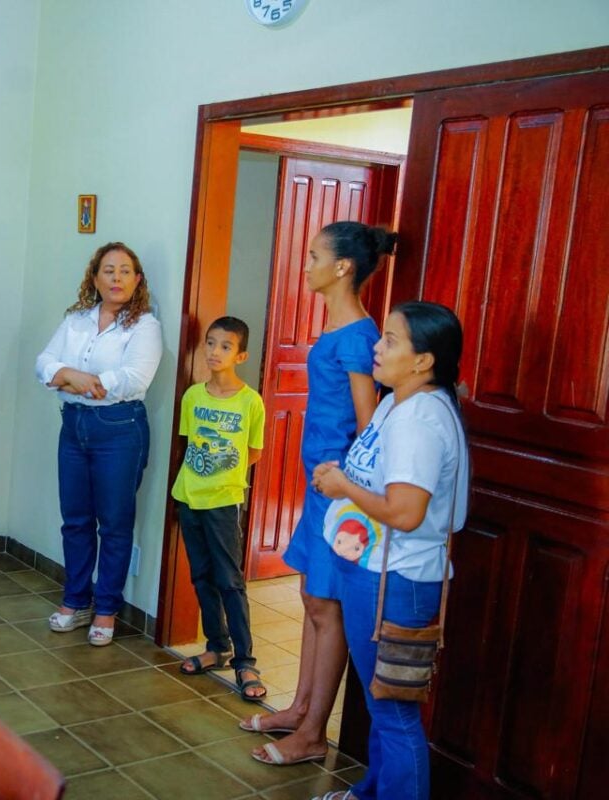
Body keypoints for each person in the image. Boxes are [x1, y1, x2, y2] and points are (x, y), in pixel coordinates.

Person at [308, 301, 468, 800]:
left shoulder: (420, 419)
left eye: (392, 340)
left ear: (424, 360)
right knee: (381, 701)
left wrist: (341, 488)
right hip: (373, 571)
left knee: (395, 714)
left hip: (396, 582)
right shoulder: (396, 401)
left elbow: (405, 512)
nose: (377, 346)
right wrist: (342, 477)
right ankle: (370, 791)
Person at [247, 221, 394, 764]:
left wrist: (348, 487)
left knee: (326, 607)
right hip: (321, 488)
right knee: (312, 599)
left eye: (313, 256)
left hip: (342, 493)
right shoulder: (338, 331)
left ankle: (312, 734)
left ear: (342, 268)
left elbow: (367, 422)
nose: (304, 265)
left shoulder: (358, 336)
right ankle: (299, 708)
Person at [36, 242, 162, 646]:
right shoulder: (76, 319)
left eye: (125, 271)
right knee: (75, 519)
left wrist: (83, 381)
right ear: (95, 277)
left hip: (119, 429)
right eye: (108, 270)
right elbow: (43, 363)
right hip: (73, 425)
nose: (117, 278)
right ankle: (75, 601)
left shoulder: (145, 326)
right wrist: (68, 373)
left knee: (114, 524)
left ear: (137, 279)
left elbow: (135, 378)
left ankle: (106, 609)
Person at [172, 316, 266, 699]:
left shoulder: (250, 401)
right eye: (210, 343)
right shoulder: (193, 396)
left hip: (224, 503)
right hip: (189, 497)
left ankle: (245, 662)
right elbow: (187, 443)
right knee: (201, 576)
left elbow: (253, 451)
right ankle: (217, 646)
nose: (214, 352)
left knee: (229, 579)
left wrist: (222, 473)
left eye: (225, 346)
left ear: (240, 354)